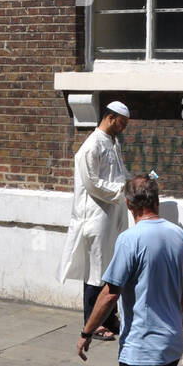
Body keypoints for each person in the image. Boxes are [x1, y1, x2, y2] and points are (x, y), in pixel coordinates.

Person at [76, 174, 183, 366]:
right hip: (171, 345)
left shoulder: (129, 240)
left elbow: (110, 293)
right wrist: (170, 318)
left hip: (141, 350)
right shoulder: (179, 235)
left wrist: (86, 331)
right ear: (157, 201)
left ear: (128, 205)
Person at [58, 101, 131, 340]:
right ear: (111, 117)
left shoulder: (113, 142)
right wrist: (121, 190)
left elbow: (117, 175)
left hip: (113, 214)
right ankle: (93, 322)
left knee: (111, 268)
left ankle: (109, 318)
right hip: (96, 216)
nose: (124, 128)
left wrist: (132, 184)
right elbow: (93, 183)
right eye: (123, 123)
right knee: (96, 270)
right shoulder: (91, 145)